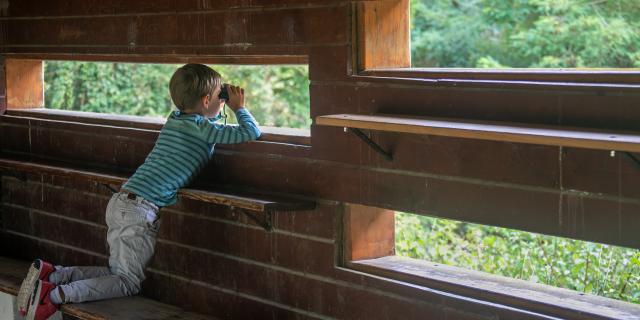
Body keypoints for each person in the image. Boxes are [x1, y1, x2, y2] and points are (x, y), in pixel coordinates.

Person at [17, 63, 261, 320]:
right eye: (219, 96)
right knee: (127, 282)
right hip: (140, 211)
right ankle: (55, 296)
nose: (223, 101)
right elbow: (251, 131)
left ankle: (53, 275)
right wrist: (238, 108)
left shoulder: (176, 120)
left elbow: (207, 124)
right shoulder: (202, 128)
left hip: (123, 202)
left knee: (116, 271)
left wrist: (218, 105)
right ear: (206, 99)